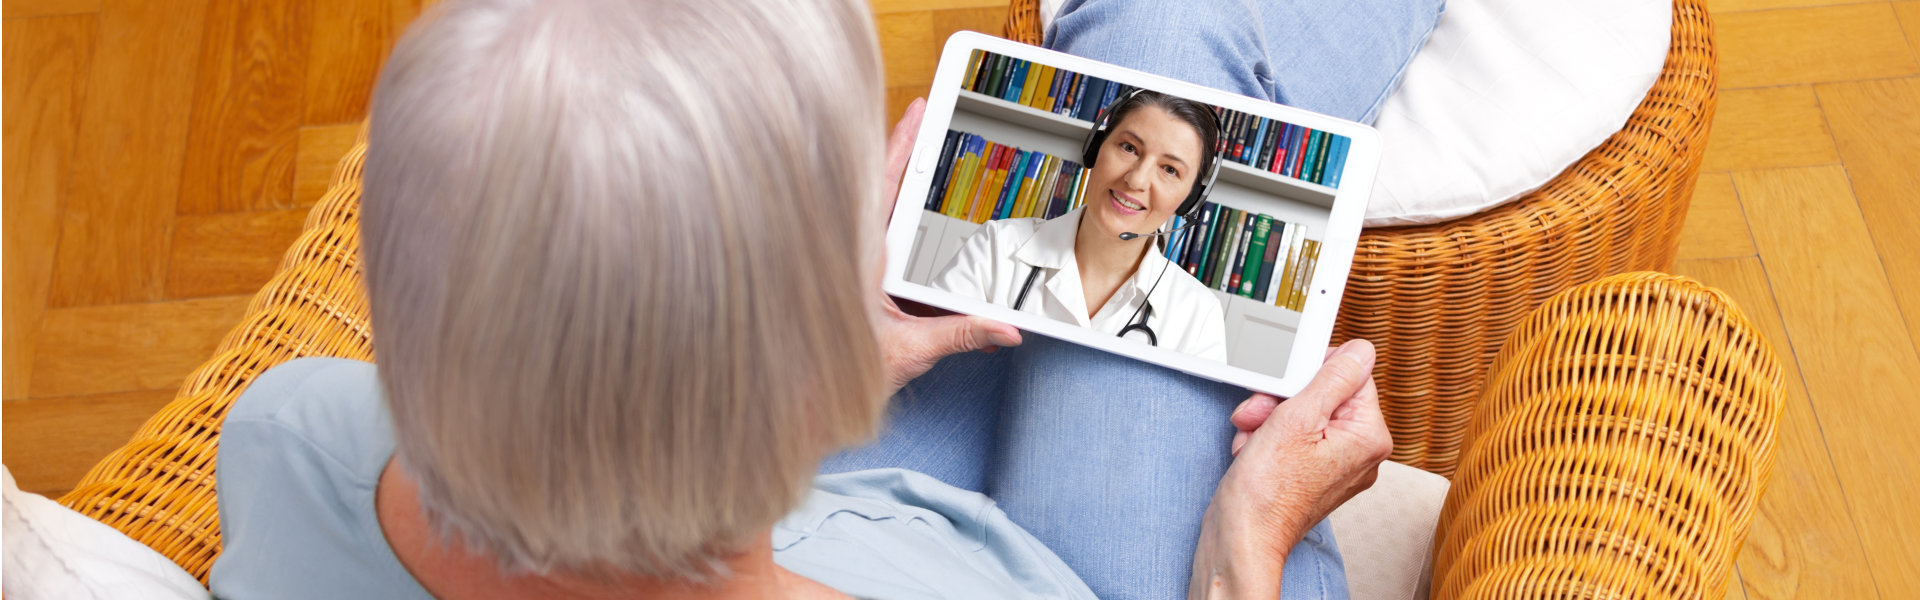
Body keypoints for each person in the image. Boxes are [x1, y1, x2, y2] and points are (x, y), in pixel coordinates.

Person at [206, 0, 1391, 599]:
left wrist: (801, 374)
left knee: (1151, 45)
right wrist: (1250, 548)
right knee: (1169, 31)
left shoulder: (288, 432)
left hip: (800, 496)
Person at [931, 90, 1231, 362]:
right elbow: (930, 368)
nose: (1136, 180)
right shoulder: (996, 247)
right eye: (1128, 147)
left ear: (1190, 199)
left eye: (1169, 170)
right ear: (1095, 148)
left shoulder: (1198, 314)